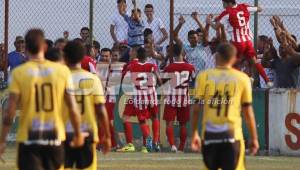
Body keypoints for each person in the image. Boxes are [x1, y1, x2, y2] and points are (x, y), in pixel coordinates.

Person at [0, 28, 85, 170]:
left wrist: (2, 140)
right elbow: (72, 107)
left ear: (26, 48)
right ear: (44, 47)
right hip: (55, 136)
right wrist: (78, 133)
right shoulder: (62, 71)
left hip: (29, 137)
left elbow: (10, 112)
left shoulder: (18, 73)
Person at [191, 43, 259, 170]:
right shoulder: (242, 79)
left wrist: (194, 132)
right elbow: (248, 113)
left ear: (216, 57)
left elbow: (195, 109)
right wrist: (254, 137)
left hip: (210, 136)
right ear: (234, 59)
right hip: (232, 136)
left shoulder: (203, 76)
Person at [63, 41, 111, 169]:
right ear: (83, 57)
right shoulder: (93, 79)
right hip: (87, 133)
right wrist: (107, 136)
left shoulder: (60, 78)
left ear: (65, 57)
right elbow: (101, 110)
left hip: (64, 134)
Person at [213, 0, 272, 86]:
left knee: (233, 63)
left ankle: (238, 82)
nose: (223, 5)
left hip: (237, 42)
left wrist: (208, 21)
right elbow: (260, 9)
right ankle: (267, 81)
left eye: (223, 3)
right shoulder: (244, 7)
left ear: (228, 3)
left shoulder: (227, 12)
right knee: (254, 61)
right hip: (247, 41)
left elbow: (215, 27)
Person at [123, 47, 161, 153]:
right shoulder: (152, 66)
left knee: (142, 120)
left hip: (139, 96)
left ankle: (148, 140)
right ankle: (156, 141)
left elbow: (126, 81)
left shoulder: (131, 66)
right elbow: (159, 80)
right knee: (154, 117)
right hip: (152, 95)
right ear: (147, 56)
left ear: (137, 56)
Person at [163, 43, 195, 152]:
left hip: (171, 98)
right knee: (183, 124)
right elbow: (193, 81)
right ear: (182, 52)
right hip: (184, 99)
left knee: (169, 123)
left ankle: (172, 145)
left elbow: (162, 81)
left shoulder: (169, 67)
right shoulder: (190, 67)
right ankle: (181, 147)